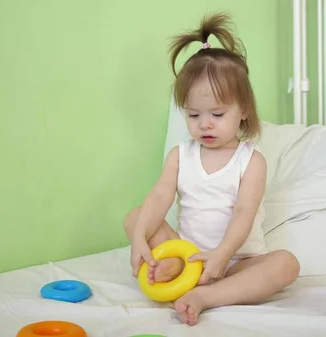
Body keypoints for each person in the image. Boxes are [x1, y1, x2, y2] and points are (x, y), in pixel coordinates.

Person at [123, 12, 300, 326]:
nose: (204, 123)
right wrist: (139, 238)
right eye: (193, 115)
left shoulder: (251, 160)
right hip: (188, 256)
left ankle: (206, 295)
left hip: (235, 261)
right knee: (136, 217)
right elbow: (159, 197)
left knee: (286, 264)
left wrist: (221, 256)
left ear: (243, 110)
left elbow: (244, 212)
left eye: (217, 114)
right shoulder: (181, 155)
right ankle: (176, 273)